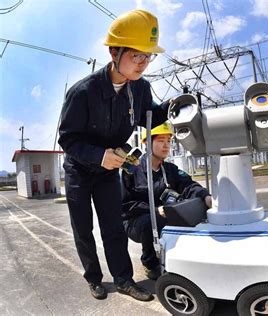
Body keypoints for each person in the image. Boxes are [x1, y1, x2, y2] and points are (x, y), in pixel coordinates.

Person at [58, 9, 169, 301]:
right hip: (80, 170)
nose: (143, 63)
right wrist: (98, 156)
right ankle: (94, 278)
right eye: (136, 56)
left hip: (110, 171)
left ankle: (123, 279)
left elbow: (151, 114)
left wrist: (174, 106)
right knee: (83, 228)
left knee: (113, 227)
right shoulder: (83, 92)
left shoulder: (141, 88)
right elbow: (67, 139)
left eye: (148, 56)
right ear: (114, 52)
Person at [121, 122, 212, 280]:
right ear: (146, 143)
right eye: (160, 141)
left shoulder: (170, 170)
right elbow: (125, 205)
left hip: (164, 215)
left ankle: (181, 254)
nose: (166, 145)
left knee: (194, 206)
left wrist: (205, 196)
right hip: (136, 221)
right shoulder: (131, 171)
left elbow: (188, 185)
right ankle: (150, 263)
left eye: (169, 141)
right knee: (152, 221)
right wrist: (155, 210)